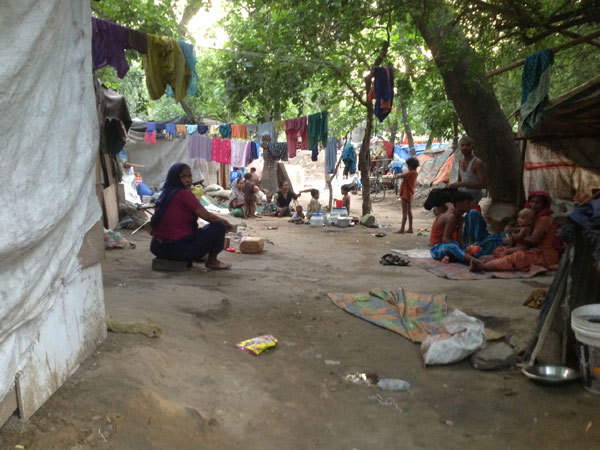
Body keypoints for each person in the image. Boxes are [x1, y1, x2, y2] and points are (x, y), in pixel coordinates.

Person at [150, 163, 231, 270]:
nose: (188, 180)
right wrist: (225, 222)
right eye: (183, 177)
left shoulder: (165, 193)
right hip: (178, 249)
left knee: (198, 231)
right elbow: (207, 216)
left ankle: (197, 254)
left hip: (157, 248)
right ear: (175, 178)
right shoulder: (184, 194)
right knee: (218, 226)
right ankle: (212, 260)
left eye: (189, 176)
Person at [470, 191, 560, 272]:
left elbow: (533, 240)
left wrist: (513, 236)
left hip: (543, 255)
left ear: (544, 205)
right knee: (501, 249)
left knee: (516, 257)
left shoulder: (543, 219)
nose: (533, 205)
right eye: (532, 202)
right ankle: (489, 261)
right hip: (531, 249)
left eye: (538, 203)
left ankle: (482, 266)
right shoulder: (532, 217)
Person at [429, 191, 477, 265]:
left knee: (469, 248)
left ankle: (450, 257)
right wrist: (460, 249)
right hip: (436, 248)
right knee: (453, 247)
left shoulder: (460, 218)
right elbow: (445, 240)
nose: (470, 206)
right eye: (468, 203)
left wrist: (465, 248)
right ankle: (474, 261)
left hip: (446, 246)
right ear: (458, 204)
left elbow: (460, 239)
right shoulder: (451, 217)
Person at [448, 136, 486, 206]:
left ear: (472, 147)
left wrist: (462, 184)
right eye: (462, 145)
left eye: (468, 145)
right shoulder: (460, 161)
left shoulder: (477, 162)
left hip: (473, 195)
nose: (465, 148)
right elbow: (459, 180)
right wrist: (453, 186)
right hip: (462, 194)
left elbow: (483, 185)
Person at [395, 156, 420, 233]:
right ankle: (410, 228)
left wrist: (396, 176)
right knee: (409, 211)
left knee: (404, 212)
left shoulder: (411, 173)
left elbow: (401, 176)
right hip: (410, 194)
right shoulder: (415, 173)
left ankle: (402, 229)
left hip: (405, 194)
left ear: (410, 166)